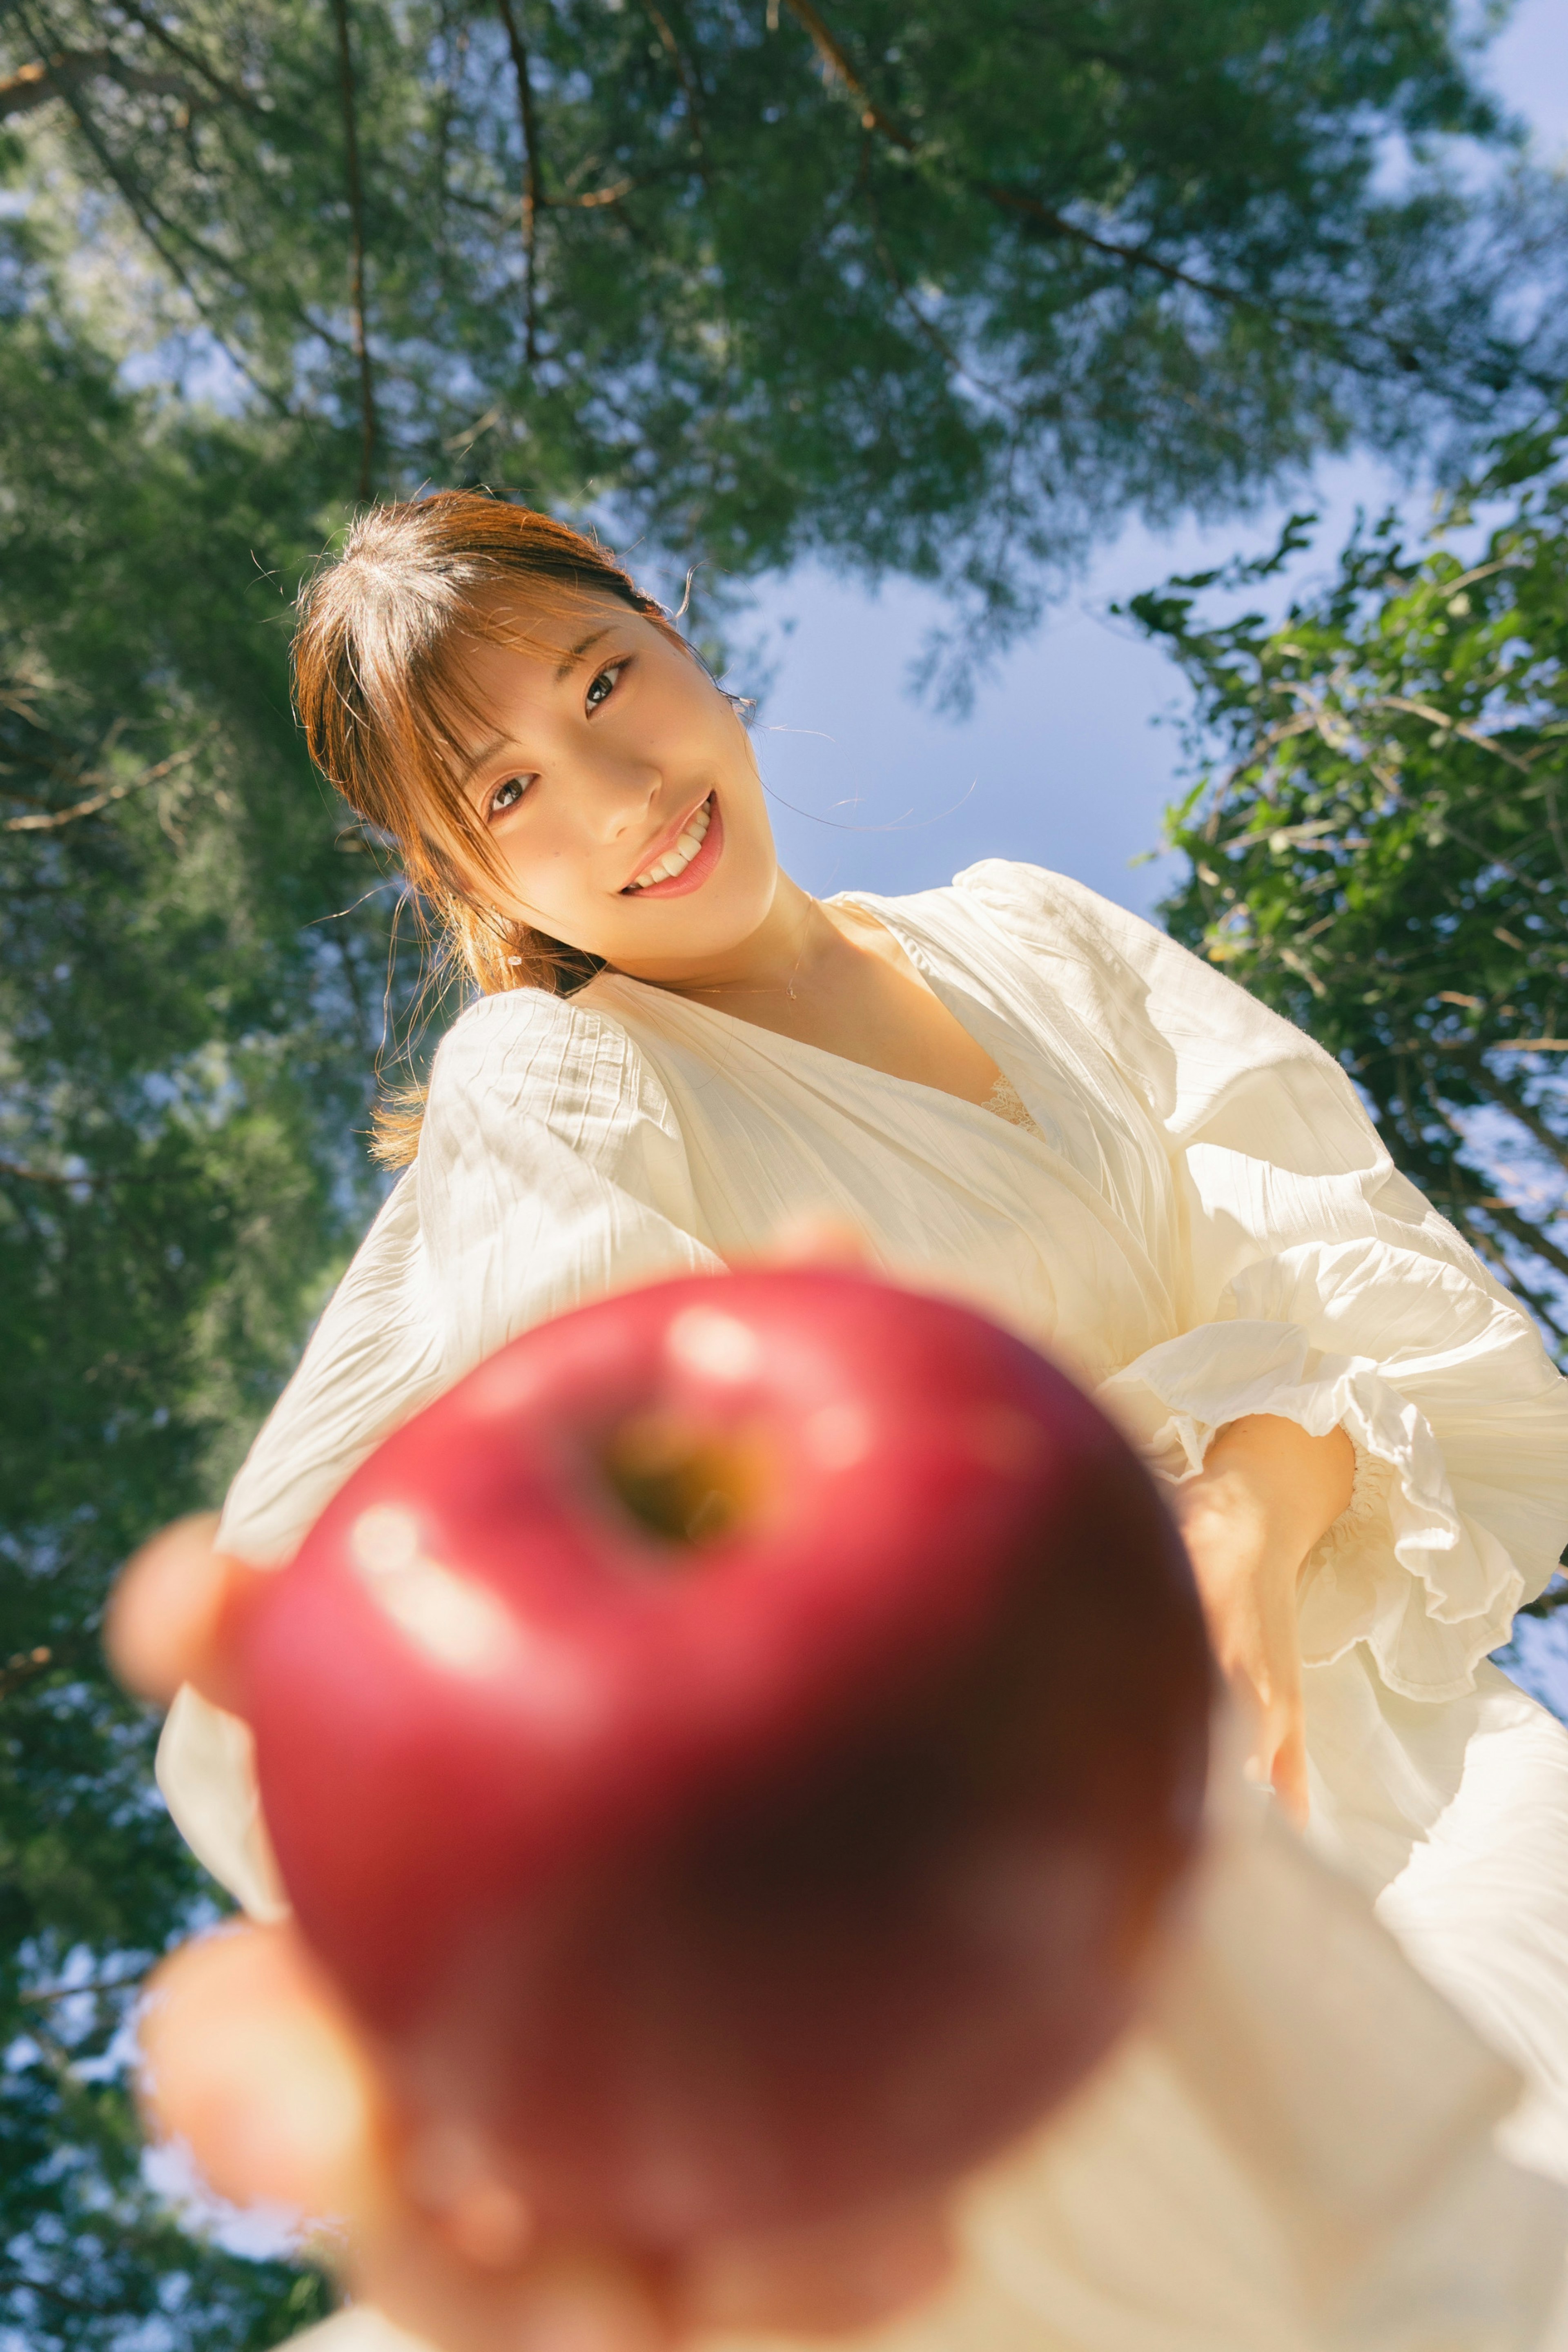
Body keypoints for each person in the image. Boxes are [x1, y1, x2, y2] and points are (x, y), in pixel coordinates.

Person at [114, 492, 1568, 2352]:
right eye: (503, 794)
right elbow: (514, 1582)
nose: (616, 790)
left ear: (679, 631)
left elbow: (1364, 1281)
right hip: (1052, 1900)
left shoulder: (1029, 935)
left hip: (1420, 1745)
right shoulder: (569, 1080)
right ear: (457, 878)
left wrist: (1248, 1522)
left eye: (605, 680)